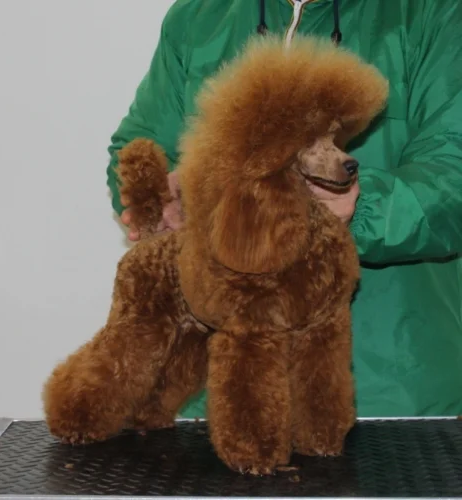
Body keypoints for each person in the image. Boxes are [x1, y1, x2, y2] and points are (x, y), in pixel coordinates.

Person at [106, 0, 462, 419]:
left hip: (392, 387)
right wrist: (163, 199)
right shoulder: (198, 16)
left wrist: (364, 205)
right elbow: (140, 143)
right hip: (207, 395)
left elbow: (452, 173)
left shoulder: (435, 14)